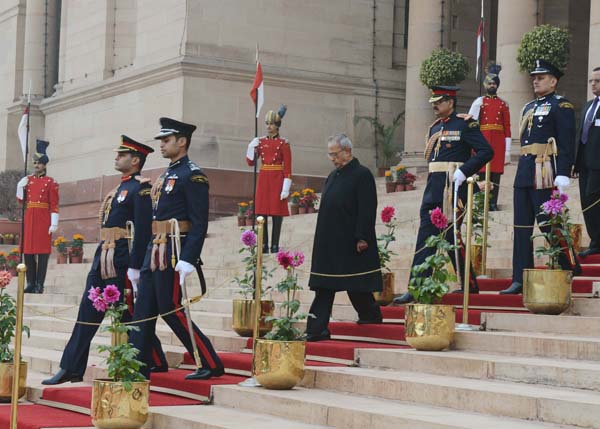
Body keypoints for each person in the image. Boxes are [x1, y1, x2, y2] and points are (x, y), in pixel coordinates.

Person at [42, 136, 167, 385]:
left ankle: (155, 358)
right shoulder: (119, 188)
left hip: (122, 258)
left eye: (121, 155)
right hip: (104, 255)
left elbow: (143, 230)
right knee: (87, 312)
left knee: (129, 313)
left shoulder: (140, 189)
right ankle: (71, 367)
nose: (116, 157)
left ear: (135, 160)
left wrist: (135, 266)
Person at [130, 117, 224, 380]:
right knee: (143, 310)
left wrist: (188, 258)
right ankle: (138, 366)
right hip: (155, 247)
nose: (161, 145)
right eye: (161, 140)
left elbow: (199, 221)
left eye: (167, 140)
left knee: (170, 308)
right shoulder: (168, 174)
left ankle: (209, 361)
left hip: (173, 248)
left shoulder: (192, 175)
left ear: (182, 142)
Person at [394, 86, 493, 305]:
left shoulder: (465, 124)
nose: (435, 106)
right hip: (433, 187)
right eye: (434, 102)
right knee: (424, 237)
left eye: (439, 101)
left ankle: (468, 284)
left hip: (453, 187)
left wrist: (464, 171)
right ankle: (417, 286)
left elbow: (487, 151)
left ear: (451, 102)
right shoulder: (435, 127)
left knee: (452, 235)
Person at [501, 59, 579, 295]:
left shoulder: (561, 106)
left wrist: (563, 173)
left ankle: (569, 265)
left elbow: (566, 141)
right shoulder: (528, 107)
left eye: (541, 77)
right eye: (534, 77)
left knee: (548, 223)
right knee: (521, 226)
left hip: (545, 170)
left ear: (554, 81)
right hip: (525, 170)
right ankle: (519, 277)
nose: (535, 80)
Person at [304, 134, 383, 342]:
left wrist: (362, 236)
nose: (332, 158)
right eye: (329, 154)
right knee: (326, 285)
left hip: (351, 240)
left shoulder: (362, 174)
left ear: (347, 151)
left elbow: (367, 208)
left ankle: (369, 314)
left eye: (335, 154)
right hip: (329, 241)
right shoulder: (333, 175)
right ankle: (317, 329)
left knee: (354, 282)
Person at [246, 105, 292, 254]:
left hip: (277, 178)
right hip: (264, 178)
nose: (268, 127)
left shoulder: (283, 143)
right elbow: (251, 162)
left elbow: (288, 167)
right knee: (262, 213)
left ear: (277, 126)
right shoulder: (260, 141)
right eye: (267, 123)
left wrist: (286, 186)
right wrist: (251, 148)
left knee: (277, 214)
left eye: (271, 124)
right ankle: (264, 244)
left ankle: (274, 244)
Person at [16, 139, 59, 294]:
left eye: (39, 163)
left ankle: (39, 284)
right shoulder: (28, 181)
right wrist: (20, 186)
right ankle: (30, 282)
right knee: (27, 251)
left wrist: (54, 222)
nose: (36, 166)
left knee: (42, 253)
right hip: (29, 218)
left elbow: (54, 203)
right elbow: (21, 200)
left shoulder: (50, 182)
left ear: (45, 164)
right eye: (35, 163)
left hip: (43, 219)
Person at [468, 64, 512, 211]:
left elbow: (507, 127)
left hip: (499, 141)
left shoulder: (503, 104)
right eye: (490, 83)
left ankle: (493, 203)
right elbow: (471, 123)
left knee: (496, 172)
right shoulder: (479, 102)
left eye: (494, 83)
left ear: (497, 85)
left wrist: (507, 151)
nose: (492, 85)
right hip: (483, 138)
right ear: (486, 85)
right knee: (482, 171)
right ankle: (482, 202)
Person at [574, 67, 600, 258]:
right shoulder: (588, 106)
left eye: (597, 81)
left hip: (598, 163)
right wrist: (576, 162)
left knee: (593, 201)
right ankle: (595, 240)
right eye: (591, 81)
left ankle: (597, 241)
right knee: (586, 202)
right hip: (584, 164)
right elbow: (581, 135)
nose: (593, 84)